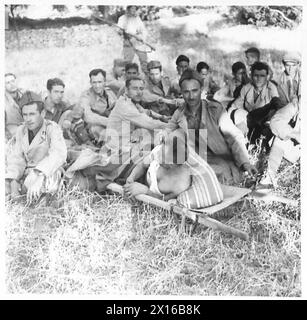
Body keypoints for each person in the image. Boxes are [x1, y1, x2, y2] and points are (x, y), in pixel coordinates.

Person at [66, 76, 169, 191]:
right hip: (116, 152)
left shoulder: (131, 103)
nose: (139, 92)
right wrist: (171, 125)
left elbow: (146, 115)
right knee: (150, 144)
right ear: (126, 90)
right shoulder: (124, 106)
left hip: (124, 145)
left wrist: (163, 118)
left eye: (141, 88)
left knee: (148, 136)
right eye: (135, 88)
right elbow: (148, 122)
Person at [165, 69, 257, 184]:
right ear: (182, 93)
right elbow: (167, 130)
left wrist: (245, 163)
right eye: (186, 92)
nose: (191, 96)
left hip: (219, 161)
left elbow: (234, 136)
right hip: (195, 161)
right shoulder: (180, 113)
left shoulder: (214, 110)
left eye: (194, 91)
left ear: (201, 90)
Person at [5, 91, 67, 202]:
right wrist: (14, 180)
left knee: (47, 182)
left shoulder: (52, 128)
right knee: (6, 185)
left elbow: (58, 155)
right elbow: (16, 158)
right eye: (25, 115)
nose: (28, 119)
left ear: (42, 113)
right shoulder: (21, 130)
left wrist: (39, 175)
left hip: (47, 171)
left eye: (32, 114)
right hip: (27, 173)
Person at [123, 129, 192, 200]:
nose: (157, 155)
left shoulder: (180, 185)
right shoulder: (160, 150)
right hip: (143, 176)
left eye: (162, 157)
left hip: (147, 191)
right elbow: (142, 165)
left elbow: (163, 201)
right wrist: (131, 177)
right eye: (160, 150)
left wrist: (145, 191)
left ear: (171, 164)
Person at [228, 61, 282, 144]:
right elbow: (234, 106)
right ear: (251, 76)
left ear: (267, 77)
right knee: (237, 113)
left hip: (264, 123)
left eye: (262, 76)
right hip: (250, 121)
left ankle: (262, 145)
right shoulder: (246, 88)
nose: (259, 79)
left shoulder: (271, 88)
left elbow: (277, 104)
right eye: (256, 75)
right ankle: (242, 143)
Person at [258, 97, 300, 189]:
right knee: (280, 138)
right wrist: (295, 134)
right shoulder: (297, 105)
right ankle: (269, 177)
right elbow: (276, 121)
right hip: (299, 149)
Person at [77, 68, 116, 143]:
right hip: (95, 128)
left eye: (100, 82)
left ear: (104, 82)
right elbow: (88, 117)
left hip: (112, 124)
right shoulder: (86, 96)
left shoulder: (109, 93)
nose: (97, 86)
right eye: (94, 82)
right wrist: (109, 122)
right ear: (90, 83)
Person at [117, 5, 149, 75]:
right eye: (132, 8)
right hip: (128, 42)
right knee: (127, 63)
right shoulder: (122, 19)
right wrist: (122, 31)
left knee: (144, 63)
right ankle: (128, 81)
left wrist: (141, 38)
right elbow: (119, 32)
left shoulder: (137, 18)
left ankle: (148, 80)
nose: (134, 10)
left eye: (135, 8)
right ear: (128, 9)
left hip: (138, 42)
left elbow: (143, 30)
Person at [5, 73, 24, 140]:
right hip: (12, 132)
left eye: (13, 81)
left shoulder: (24, 93)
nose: (12, 84)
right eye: (8, 83)